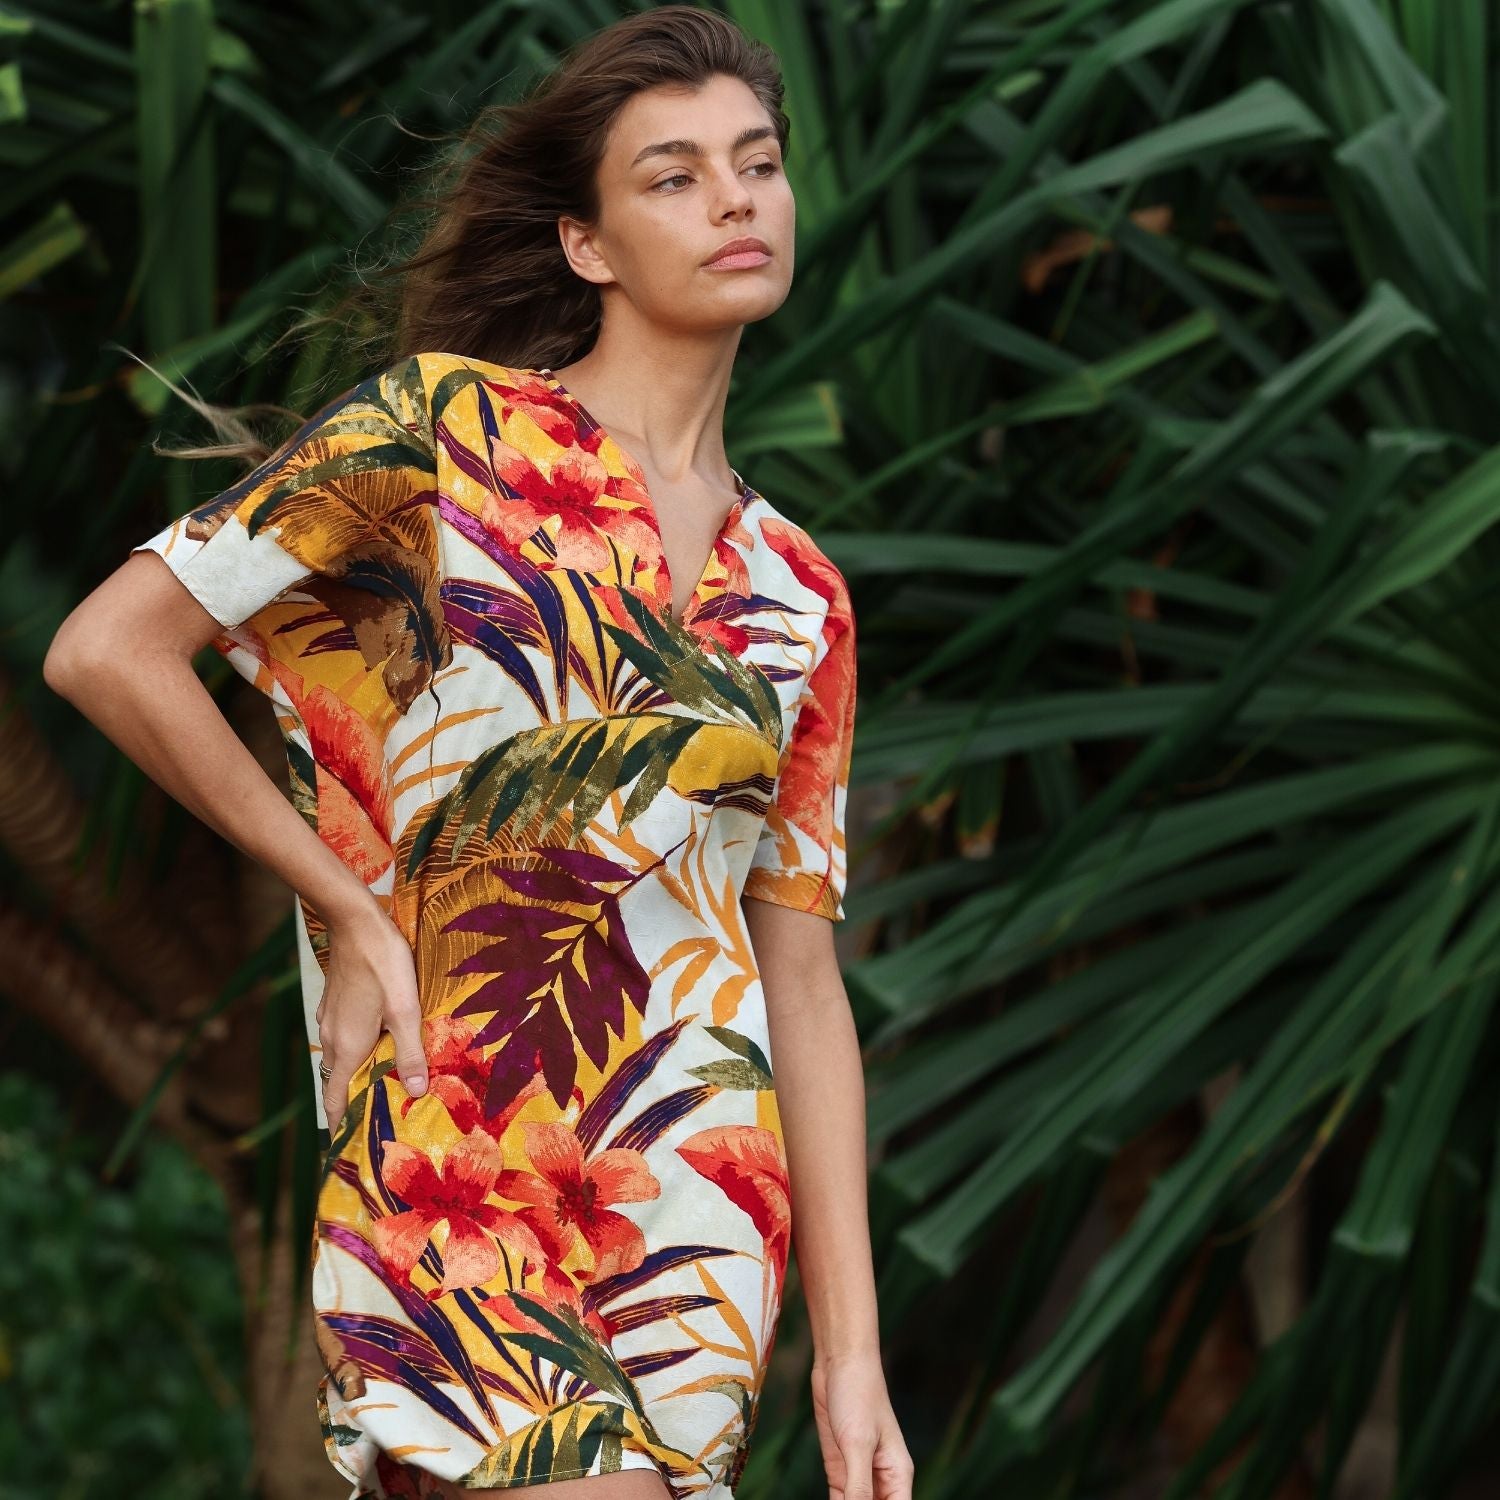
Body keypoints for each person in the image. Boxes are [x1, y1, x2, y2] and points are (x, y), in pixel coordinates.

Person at [44, 8, 913, 1500]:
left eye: (756, 165)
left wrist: (852, 1355)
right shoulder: (443, 438)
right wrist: (344, 901)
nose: (734, 200)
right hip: (456, 1155)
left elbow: (803, 975)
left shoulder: (798, 593)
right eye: (675, 176)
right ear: (586, 245)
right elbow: (107, 651)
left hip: (694, 1207)